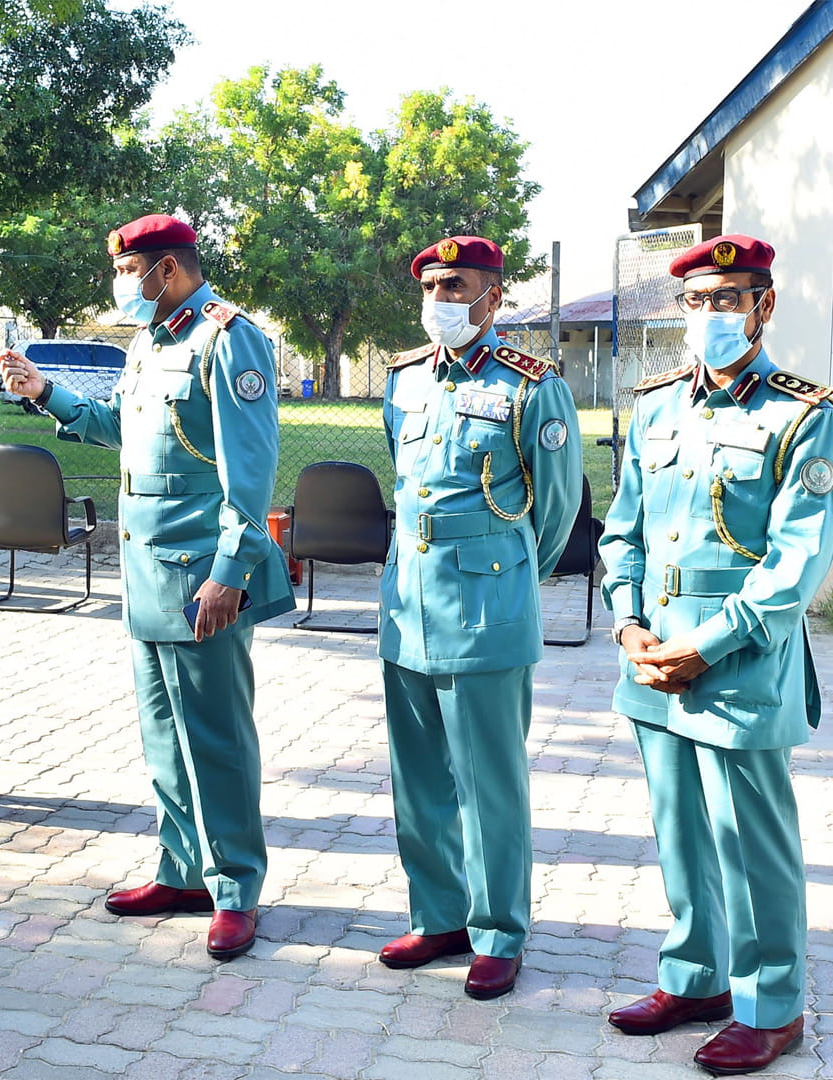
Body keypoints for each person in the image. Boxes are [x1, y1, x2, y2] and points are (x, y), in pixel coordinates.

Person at [0, 213, 293, 961]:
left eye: (128, 271)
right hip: (147, 574)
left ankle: (235, 889)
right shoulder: (150, 340)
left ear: (167, 269)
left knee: (217, 738)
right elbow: (125, 431)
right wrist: (47, 393)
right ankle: (182, 872)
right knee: (164, 734)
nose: (119, 284)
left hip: (201, 579)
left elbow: (250, 471)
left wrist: (230, 573)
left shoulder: (228, 339)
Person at [598, 234, 829, 1075]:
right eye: (696, 302)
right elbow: (622, 530)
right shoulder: (657, 405)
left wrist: (706, 646)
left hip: (738, 662)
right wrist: (627, 623)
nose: (709, 315)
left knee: (749, 843)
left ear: (763, 306)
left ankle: (772, 1008)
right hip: (653, 658)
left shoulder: (804, 415)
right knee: (682, 832)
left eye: (727, 300)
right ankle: (695, 980)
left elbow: (795, 566)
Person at [375, 235, 581, 1000]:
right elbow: (407, 484)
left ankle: (498, 933)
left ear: (493, 298)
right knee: (418, 779)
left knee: (488, 783)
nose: (439, 299)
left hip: (486, 607)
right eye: (431, 286)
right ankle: (439, 917)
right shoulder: (404, 378)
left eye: (455, 286)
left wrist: (513, 575)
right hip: (408, 604)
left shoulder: (532, 384)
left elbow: (556, 509)